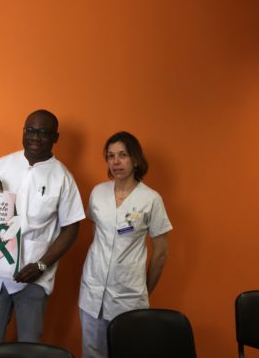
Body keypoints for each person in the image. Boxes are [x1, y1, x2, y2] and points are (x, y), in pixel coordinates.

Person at [0, 109, 85, 345]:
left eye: (43, 132)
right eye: (31, 130)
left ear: (55, 138)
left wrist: (42, 265)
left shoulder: (62, 177)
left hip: (33, 274)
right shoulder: (0, 166)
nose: (35, 137)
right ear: (23, 132)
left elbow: (71, 229)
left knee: (30, 345)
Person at [79, 131, 172, 358]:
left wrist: (143, 290)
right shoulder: (98, 192)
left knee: (128, 351)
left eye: (123, 155)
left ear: (136, 160)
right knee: (92, 352)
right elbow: (97, 233)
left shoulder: (151, 199)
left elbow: (161, 253)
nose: (116, 162)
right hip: (92, 290)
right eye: (111, 156)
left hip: (129, 295)